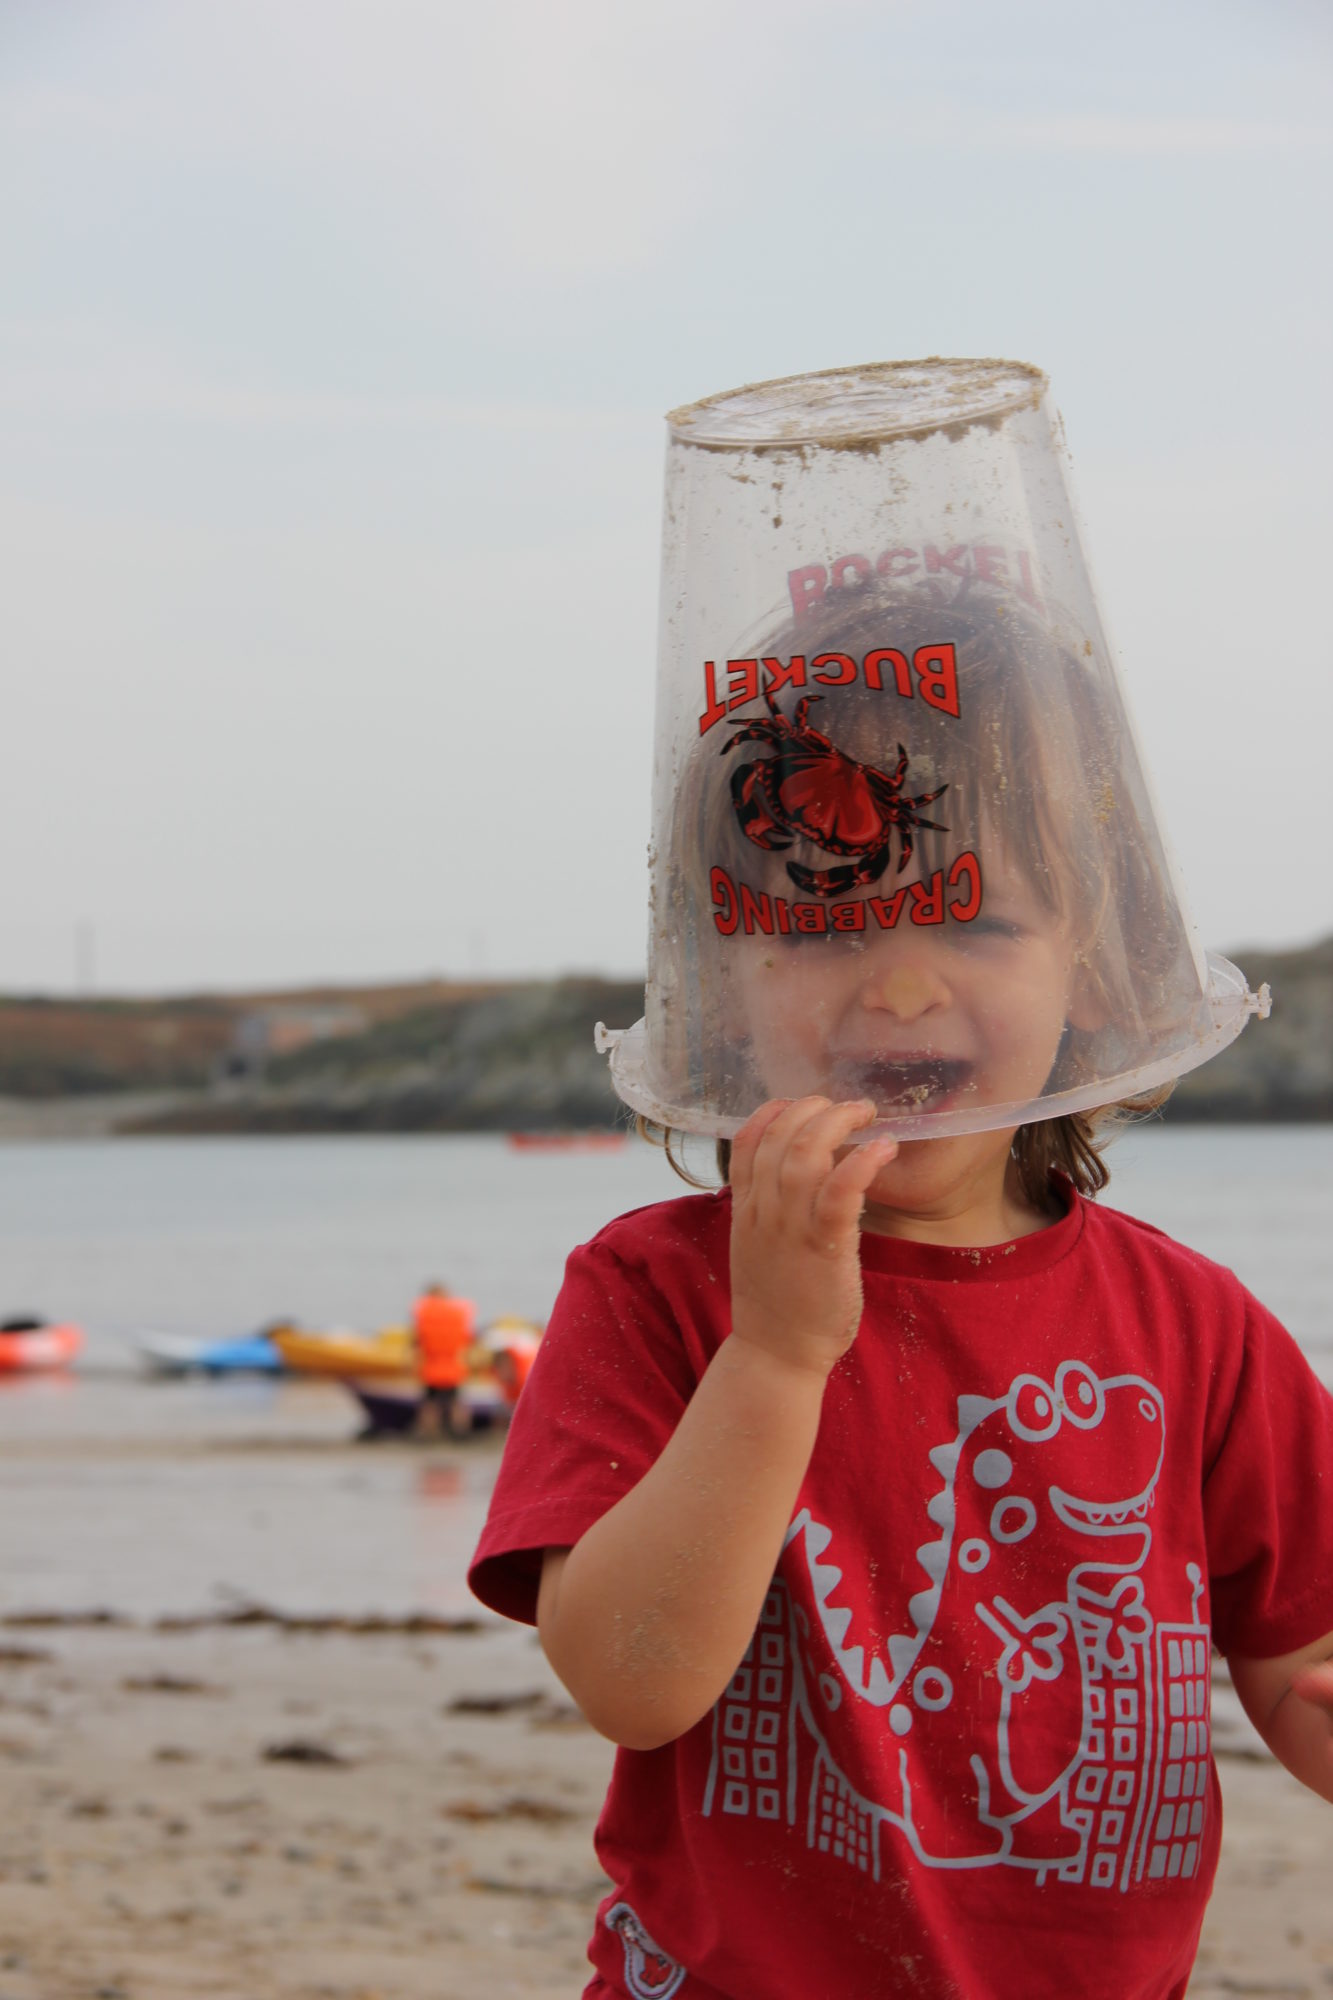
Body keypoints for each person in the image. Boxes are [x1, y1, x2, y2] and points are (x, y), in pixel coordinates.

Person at [468, 578, 1333, 1998]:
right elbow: (629, 1680)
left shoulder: (1196, 1330)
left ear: (1096, 960)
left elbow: (1300, 1650)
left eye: (976, 921)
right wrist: (776, 1357)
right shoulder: (654, 1294)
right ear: (718, 973)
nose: (902, 988)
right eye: (819, 923)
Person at [410, 1281, 475, 1440]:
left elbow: (417, 1341)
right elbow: (467, 1340)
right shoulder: (456, 1314)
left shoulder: (425, 1314)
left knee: (430, 1404)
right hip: (452, 1367)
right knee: (455, 1402)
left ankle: (428, 1434)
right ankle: (461, 1434)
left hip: (432, 1367)